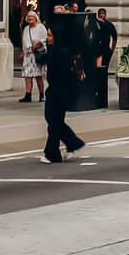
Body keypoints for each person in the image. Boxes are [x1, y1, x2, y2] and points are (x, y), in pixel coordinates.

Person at [39, 24, 86, 163]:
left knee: (54, 122)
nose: (47, 38)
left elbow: (61, 72)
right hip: (56, 90)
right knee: (53, 120)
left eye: (50, 35)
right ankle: (73, 142)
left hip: (60, 91)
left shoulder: (61, 52)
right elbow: (43, 59)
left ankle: (52, 153)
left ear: (57, 37)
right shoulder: (55, 50)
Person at [20, 5, 48, 101]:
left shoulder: (41, 27)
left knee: (38, 76)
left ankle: (41, 94)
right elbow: (24, 40)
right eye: (28, 19)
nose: (30, 20)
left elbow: (45, 38)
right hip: (28, 54)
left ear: (36, 19)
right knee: (27, 75)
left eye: (32, 18)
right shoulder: (26, 29)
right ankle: (28, 95)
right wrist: (25, 51)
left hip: (37, 54)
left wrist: (38, 43)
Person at [94, 8, 119, 81]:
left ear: (105, 15)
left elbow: (115, 38)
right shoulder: (95, 25)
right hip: (97, 50)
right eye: (100, 13)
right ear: (98, 15)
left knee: (105, 70)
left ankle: (103, 87)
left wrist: (112, 50)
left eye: (103, 13)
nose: (101, 15)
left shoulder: (109, 25)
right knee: (97, 70)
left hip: (106, 50)